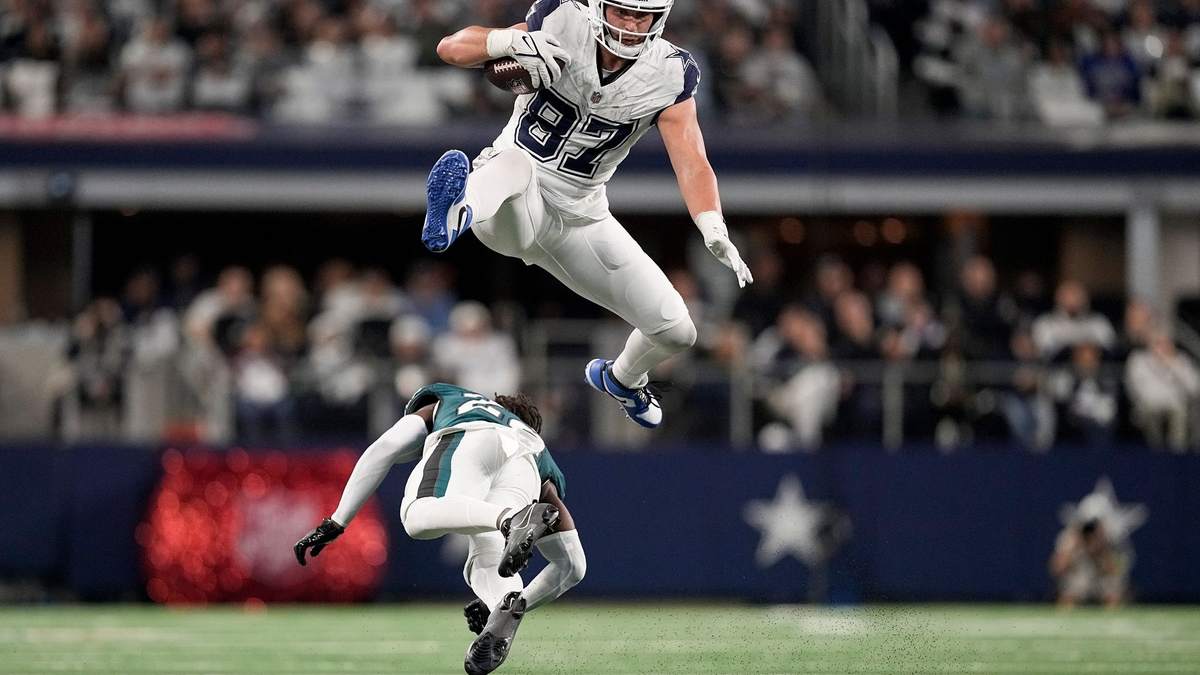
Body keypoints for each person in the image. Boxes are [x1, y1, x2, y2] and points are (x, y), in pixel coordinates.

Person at [422, 0, 753, 429]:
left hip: (582, 216)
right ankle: (458, 210)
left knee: (677, 330)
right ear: (599, 6)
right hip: (508, 202)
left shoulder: (670, 72)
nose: (631, 24)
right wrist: (508, 41)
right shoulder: (563, 21)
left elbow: (692, 158)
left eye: (642, 16)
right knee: (517, 163)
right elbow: (451, 47)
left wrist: (712, 223)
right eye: (621, 12)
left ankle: (623, 379)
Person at [294, 383, 584, 675]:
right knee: (488, 560)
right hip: (527, 470)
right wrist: (501, 606)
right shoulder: (537, 448)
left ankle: (509, 520)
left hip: (471, 438)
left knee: (417, 517)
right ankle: (502, 602)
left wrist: (338, 520)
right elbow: (572, 566)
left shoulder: (456, 402)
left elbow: (385, 448)